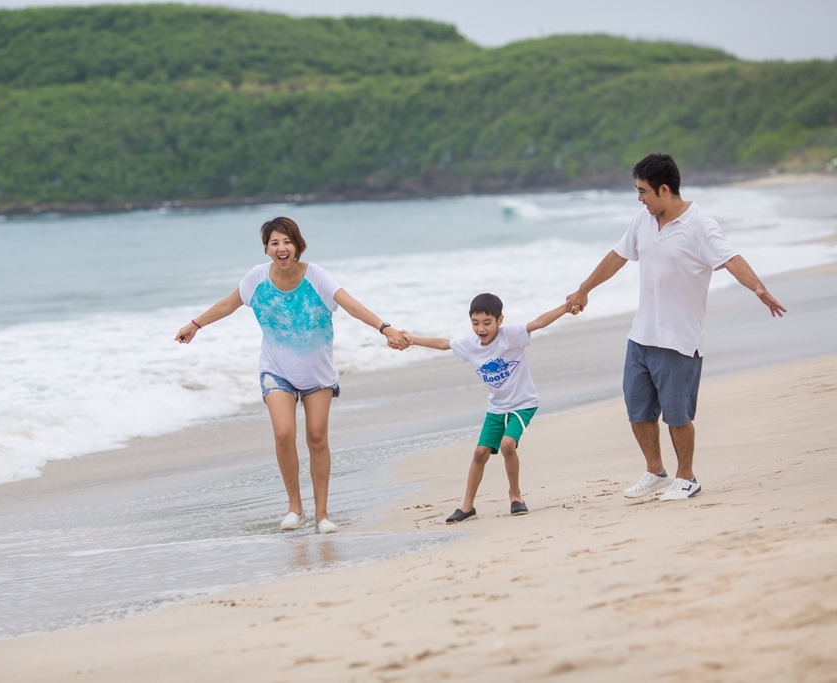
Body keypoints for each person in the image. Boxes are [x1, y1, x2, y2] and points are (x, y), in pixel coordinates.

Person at [565, 153, 786, 501]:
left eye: (643, 191)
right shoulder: (643, 221)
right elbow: (617, 256)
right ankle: (655, 472)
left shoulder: (700, 226)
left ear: (664, 189)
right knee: (637, 409)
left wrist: (758, 288)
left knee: (677, 416)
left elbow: (731, 259)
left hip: (679, 340)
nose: (639, 198)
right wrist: (584, 289)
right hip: (642, 336)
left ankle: (687, 477)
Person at [175, 216, 409, 534]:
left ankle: (322, 514)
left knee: (317, 437)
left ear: (297, 245)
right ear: (267, 249)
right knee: (284, 434)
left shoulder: (317, 277)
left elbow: (351, 305)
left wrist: (385, 328)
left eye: (287, 241)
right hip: (276, 370)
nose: (281, 248)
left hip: (317, 373)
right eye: (274, 243)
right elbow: (228, 304)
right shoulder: (256, 278)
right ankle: (295, 508)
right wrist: (195, 325)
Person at [404, 293, 575, 523]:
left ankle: (515, 497)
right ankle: (467, 507)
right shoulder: (470, 345)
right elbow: (444, 344)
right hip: (496, 407)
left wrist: (566, 307)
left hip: (523, 404)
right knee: (480, 453)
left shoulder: (511, 336)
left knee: (507, 445)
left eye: (487, 322)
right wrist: (412, 340)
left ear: (499, 320)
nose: (480, 329)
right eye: (475, 323)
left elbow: (538, 322)